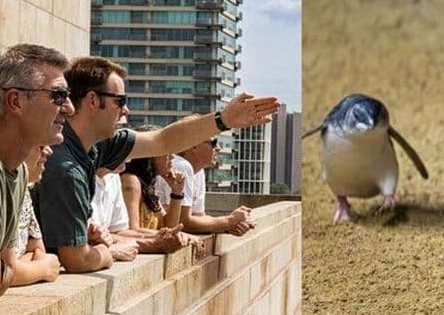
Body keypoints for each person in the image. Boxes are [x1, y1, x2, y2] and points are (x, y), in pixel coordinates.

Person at [32, 56, 278, 274]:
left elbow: (163, 140)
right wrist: (113, 251)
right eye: (120, 100)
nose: (125, 110)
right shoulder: (66, 167)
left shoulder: (94, 146)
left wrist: (224, 120)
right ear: (93, 101)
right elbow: (77, 259)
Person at [0, 44, 72, 311]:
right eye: (58, 95)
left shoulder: (17, 169)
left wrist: (4, 270)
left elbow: (3, 270)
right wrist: (22, 268)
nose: (69, 108)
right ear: (15, 101)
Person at [156, 136, 253, 235]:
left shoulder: (198, 171)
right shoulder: (180, 165)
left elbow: (199, 217)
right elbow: (182, 222)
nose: (218, 148)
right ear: (194, 146)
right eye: (214, 142)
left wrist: (230, 226)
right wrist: (228, 222)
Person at [92, 163, 195, 255]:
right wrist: (155, 241)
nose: (172, 157)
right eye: (166, 151)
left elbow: (169, 226)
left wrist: (176, 193)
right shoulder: (131, 180)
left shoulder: (147, 185)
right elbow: (132, 229)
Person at [11, 145, 61, 286]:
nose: (49, 151)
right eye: (40, 145)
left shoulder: (24, 190)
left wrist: (20, 267)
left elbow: (38, 250)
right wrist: (42, 269)